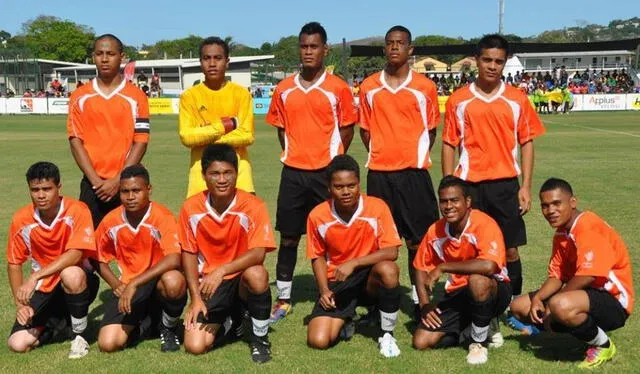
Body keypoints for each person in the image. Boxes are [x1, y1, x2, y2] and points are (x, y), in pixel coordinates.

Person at [441, 34, 545, 333]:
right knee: (471, 251)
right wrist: (450, 186)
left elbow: (527, 143)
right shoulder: (460, 99)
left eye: (499, 61)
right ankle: (474, 302)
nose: (493, 66)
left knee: (510, 251)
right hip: (470, 186)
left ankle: (511, 306)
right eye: (487, 59)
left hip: (505, 186)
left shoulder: (517, 99)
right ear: (476, 60)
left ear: (504, 63)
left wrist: (525, 186)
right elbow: (449, 143)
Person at [266, 22, 357, 322]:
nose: (308, 52)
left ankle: (337, 291)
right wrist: (297, 154)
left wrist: (331, 162)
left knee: (333, 235)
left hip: (325, 174)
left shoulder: (338, 87)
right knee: (290, 236)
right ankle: (283, 297)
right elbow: (282, 131)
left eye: (314, 46)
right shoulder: (284, 89)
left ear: (325, 50)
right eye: (303, 46)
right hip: (293, 172)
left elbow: (347, 129)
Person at [358, 25, 440, 320]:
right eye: (390, 43)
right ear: (384, 48)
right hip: (379, 174)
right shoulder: (368, 87)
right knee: (379, 243)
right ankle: (377, 303)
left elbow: (431, 131)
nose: (394, 48)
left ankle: (422, 300)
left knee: (418, 241)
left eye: (400, 43)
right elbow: (364, 131)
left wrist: (410, 156)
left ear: (410, 49)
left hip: (414, 174)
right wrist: (383, 152)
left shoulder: (425, 87)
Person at [509, 178, 634, 368]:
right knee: (519, 307)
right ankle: (575, 329)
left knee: (560, 304)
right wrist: (539, 298)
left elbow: (588, 275)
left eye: (557, 203)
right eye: (545, 206)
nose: (550, 211)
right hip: (585, 295)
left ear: (572, 202)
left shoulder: (588, 226)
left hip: (614, 300)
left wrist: (552, 304)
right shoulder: (561, 234)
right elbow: (557, 276)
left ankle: (604, 345)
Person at [179, 144, 276, 363]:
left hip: (240, 278)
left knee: (258, 274)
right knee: (195, 345)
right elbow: (188, 254)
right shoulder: (191, 208)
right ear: (204, 176)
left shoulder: (254, 205)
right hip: (209, 284)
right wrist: (195, 298)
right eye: (215, 174)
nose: (222, 180)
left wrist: (222, 270)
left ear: (236, 173)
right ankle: (234, 321)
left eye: (227, 173)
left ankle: (260, 339)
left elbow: (259, 252)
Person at [306, 155, 402, 357]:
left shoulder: (377, 207)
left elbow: (392, 251)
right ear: (329, 188)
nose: (346, 191)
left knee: (388, 269)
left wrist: (355, 263)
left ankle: (387, 334)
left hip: (369, 278)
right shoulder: (317, 215)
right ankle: (347, 319)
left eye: (351, 185)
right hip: (338, 280)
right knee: (318, 340)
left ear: (359, 184)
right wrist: (323, 290)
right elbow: (317, 257)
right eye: (339, 187)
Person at [412, 176, 511, 365]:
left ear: (467, 202)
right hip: (458, 293)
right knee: (421, 341)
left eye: (454, 200)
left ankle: (478, 343)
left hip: (495, 289)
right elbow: (419, 267)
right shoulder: (436, 230)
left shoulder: (484, 223)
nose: (448, 206)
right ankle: (472, 326)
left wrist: (443, 266)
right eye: (443, 201)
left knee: (477, 280)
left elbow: (489, 266)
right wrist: (424, 304)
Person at [6, 162, 98, 358]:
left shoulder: (78, 210)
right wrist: (20, 305)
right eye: (35, 190)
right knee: (17, 343)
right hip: (44, 287)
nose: (41, 195)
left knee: (71, 273)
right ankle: (59, 326)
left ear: (59, 187)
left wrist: (34, 276)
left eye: (47, 189)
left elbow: (76, 254)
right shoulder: (21, 219)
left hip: (78, 280)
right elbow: (14, 263)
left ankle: (79, 337)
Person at [95, 165, 187, 353]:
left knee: (174, 280)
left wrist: (135, 283)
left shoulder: (163, 217)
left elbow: (174, 259)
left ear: (149, 189)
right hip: (128, 289)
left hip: (157, 284)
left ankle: (169, 327)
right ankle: (149, 325)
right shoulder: (111, 220)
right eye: (125, 192)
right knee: (108, 344)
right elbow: (96, 257)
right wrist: (115, 285)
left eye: (136, 190)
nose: (130, 197)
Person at [67, 34, 150, 228]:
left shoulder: (136, 96)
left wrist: (118, 179)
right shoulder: (79, 96)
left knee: (129, 245)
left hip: (128, 183)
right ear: (93, 56)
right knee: (90, 249)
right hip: (92, 184)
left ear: (122, 57)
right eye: (99, 54)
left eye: (110, 54)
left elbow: (141, 140)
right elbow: (75, 139)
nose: (104, 59)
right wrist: (95, 181)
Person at [179, 37, 255, 198]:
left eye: (218, 58)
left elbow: (247, 135)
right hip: (200, 178)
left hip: (239, 176)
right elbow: (187, 137)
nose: (212, 63)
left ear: (227, 62)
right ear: (200, 62)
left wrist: (205, 134)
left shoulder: (241, 94)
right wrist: (224, 126)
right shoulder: (189, 96)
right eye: (207, 58)